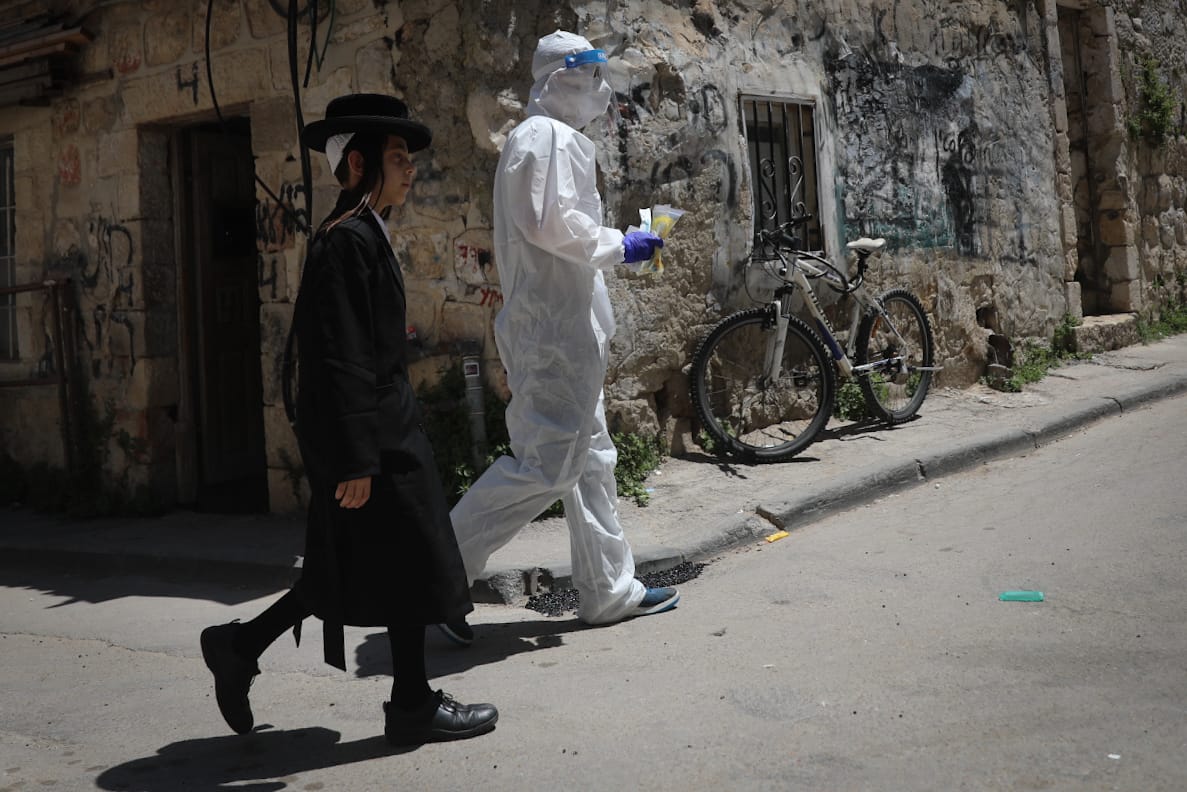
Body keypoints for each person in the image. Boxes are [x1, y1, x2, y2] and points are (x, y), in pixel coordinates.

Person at [199, 93, 497, 745]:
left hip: (386, 425)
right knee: (411, 557)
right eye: (397, 158)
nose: (409, 169)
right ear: (359, 163)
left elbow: (365, 341)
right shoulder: (344, 242)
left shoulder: (365, 234)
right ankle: (411, 706)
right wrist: (357, 458)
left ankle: (240, 647)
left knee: (360, 567)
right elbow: (336, 358)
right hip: (376, 440)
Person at [439, 31, 679, 647]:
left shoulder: (548, 139)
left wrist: (617, 244)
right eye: (588, 74)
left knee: (591, 460)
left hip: (563, 328)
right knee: (544, 464)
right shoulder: (545, 135)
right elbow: (552, 225)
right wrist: (618, 245)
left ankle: (608, 589)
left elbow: (558, 228)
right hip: (553, 334)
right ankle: (432, 578)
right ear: (556, 81)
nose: (599, 86)